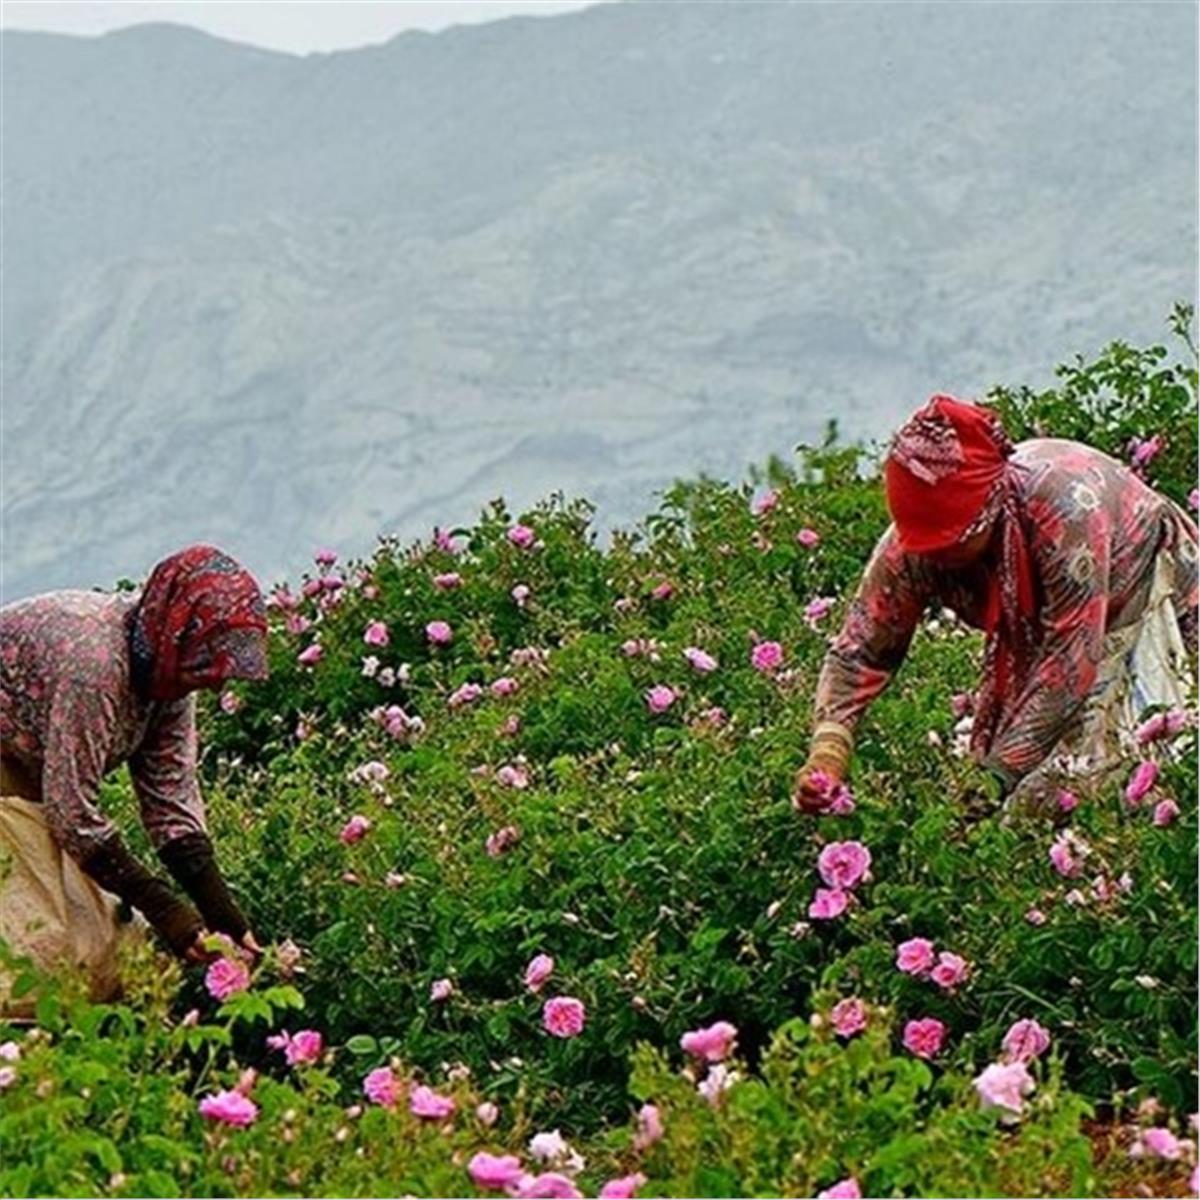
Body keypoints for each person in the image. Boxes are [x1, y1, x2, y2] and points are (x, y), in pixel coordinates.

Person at [793, 394, 1197, 813]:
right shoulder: (909, 550)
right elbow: (858, 654)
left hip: (1133, 579)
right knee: (1030, 789)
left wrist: (993, 781)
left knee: (1119, 775)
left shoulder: (1065, 516)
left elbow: (1067, 666)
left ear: (991, 511)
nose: (935, 560)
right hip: (1055, 626)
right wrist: (828, 752)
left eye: (952, 543)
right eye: (925, 546)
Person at [1, 544, 269, 1006]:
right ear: (178, 630)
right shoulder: (96, 667)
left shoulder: (169, 677)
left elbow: (170, 798)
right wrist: (165, 908)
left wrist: (221, 915)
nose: (216, 681)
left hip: (27, 766)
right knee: (41, 952)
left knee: (111, 945)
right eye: (209, 661)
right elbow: (72, 815)